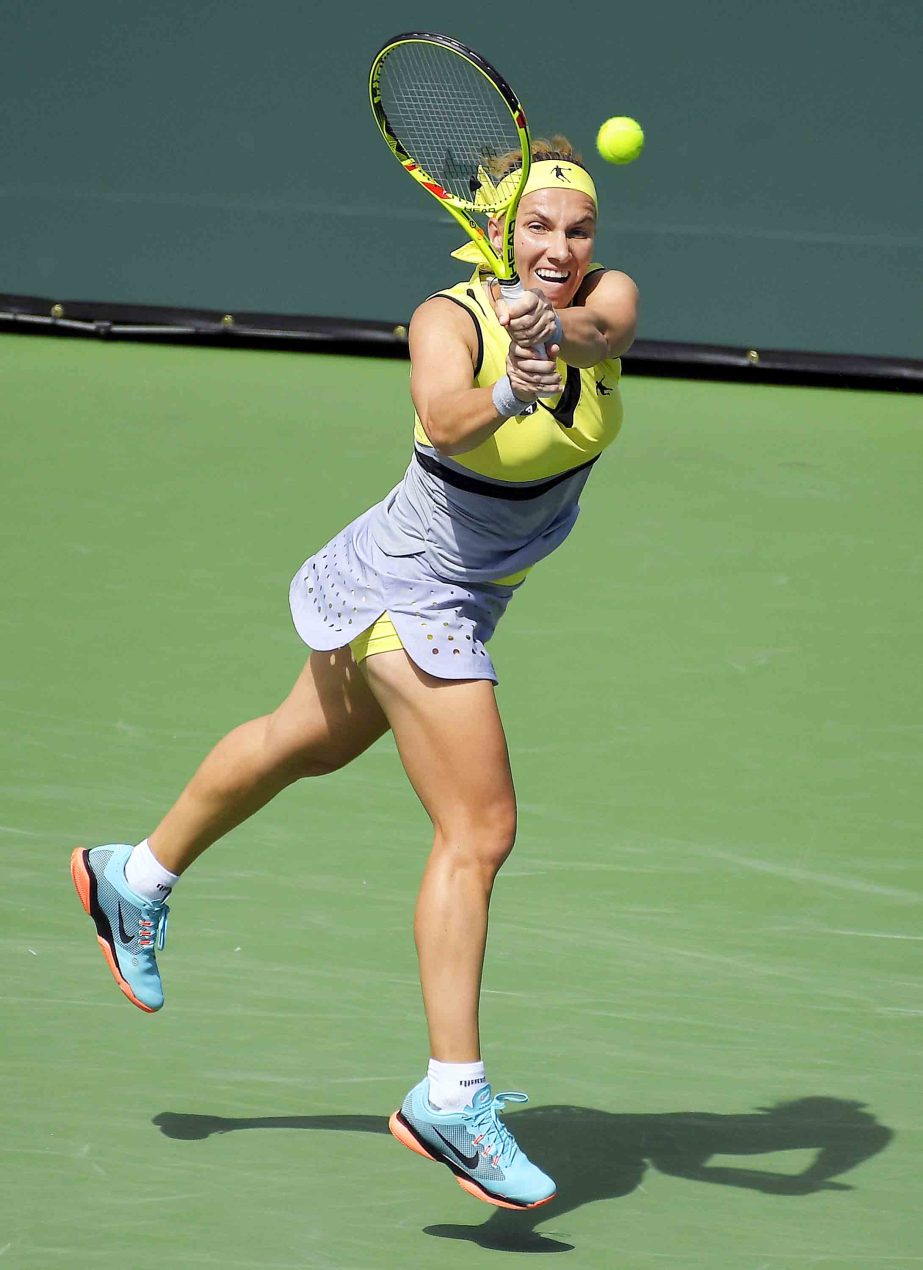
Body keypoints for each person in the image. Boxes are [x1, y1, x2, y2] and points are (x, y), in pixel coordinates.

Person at [70, 137, 639, 1211]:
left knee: (304, 742)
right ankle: (450, 1097)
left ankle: (131, 876)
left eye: (576, 229)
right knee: (478, 831)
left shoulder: (603, 297)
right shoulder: (444, 320)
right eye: (536, 227)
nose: (561, 248)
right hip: (413, 589)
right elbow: (443, 418)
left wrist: (547, 329)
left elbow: (603, 327)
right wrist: (511, 384)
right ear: (493, 227)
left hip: (457, 585)